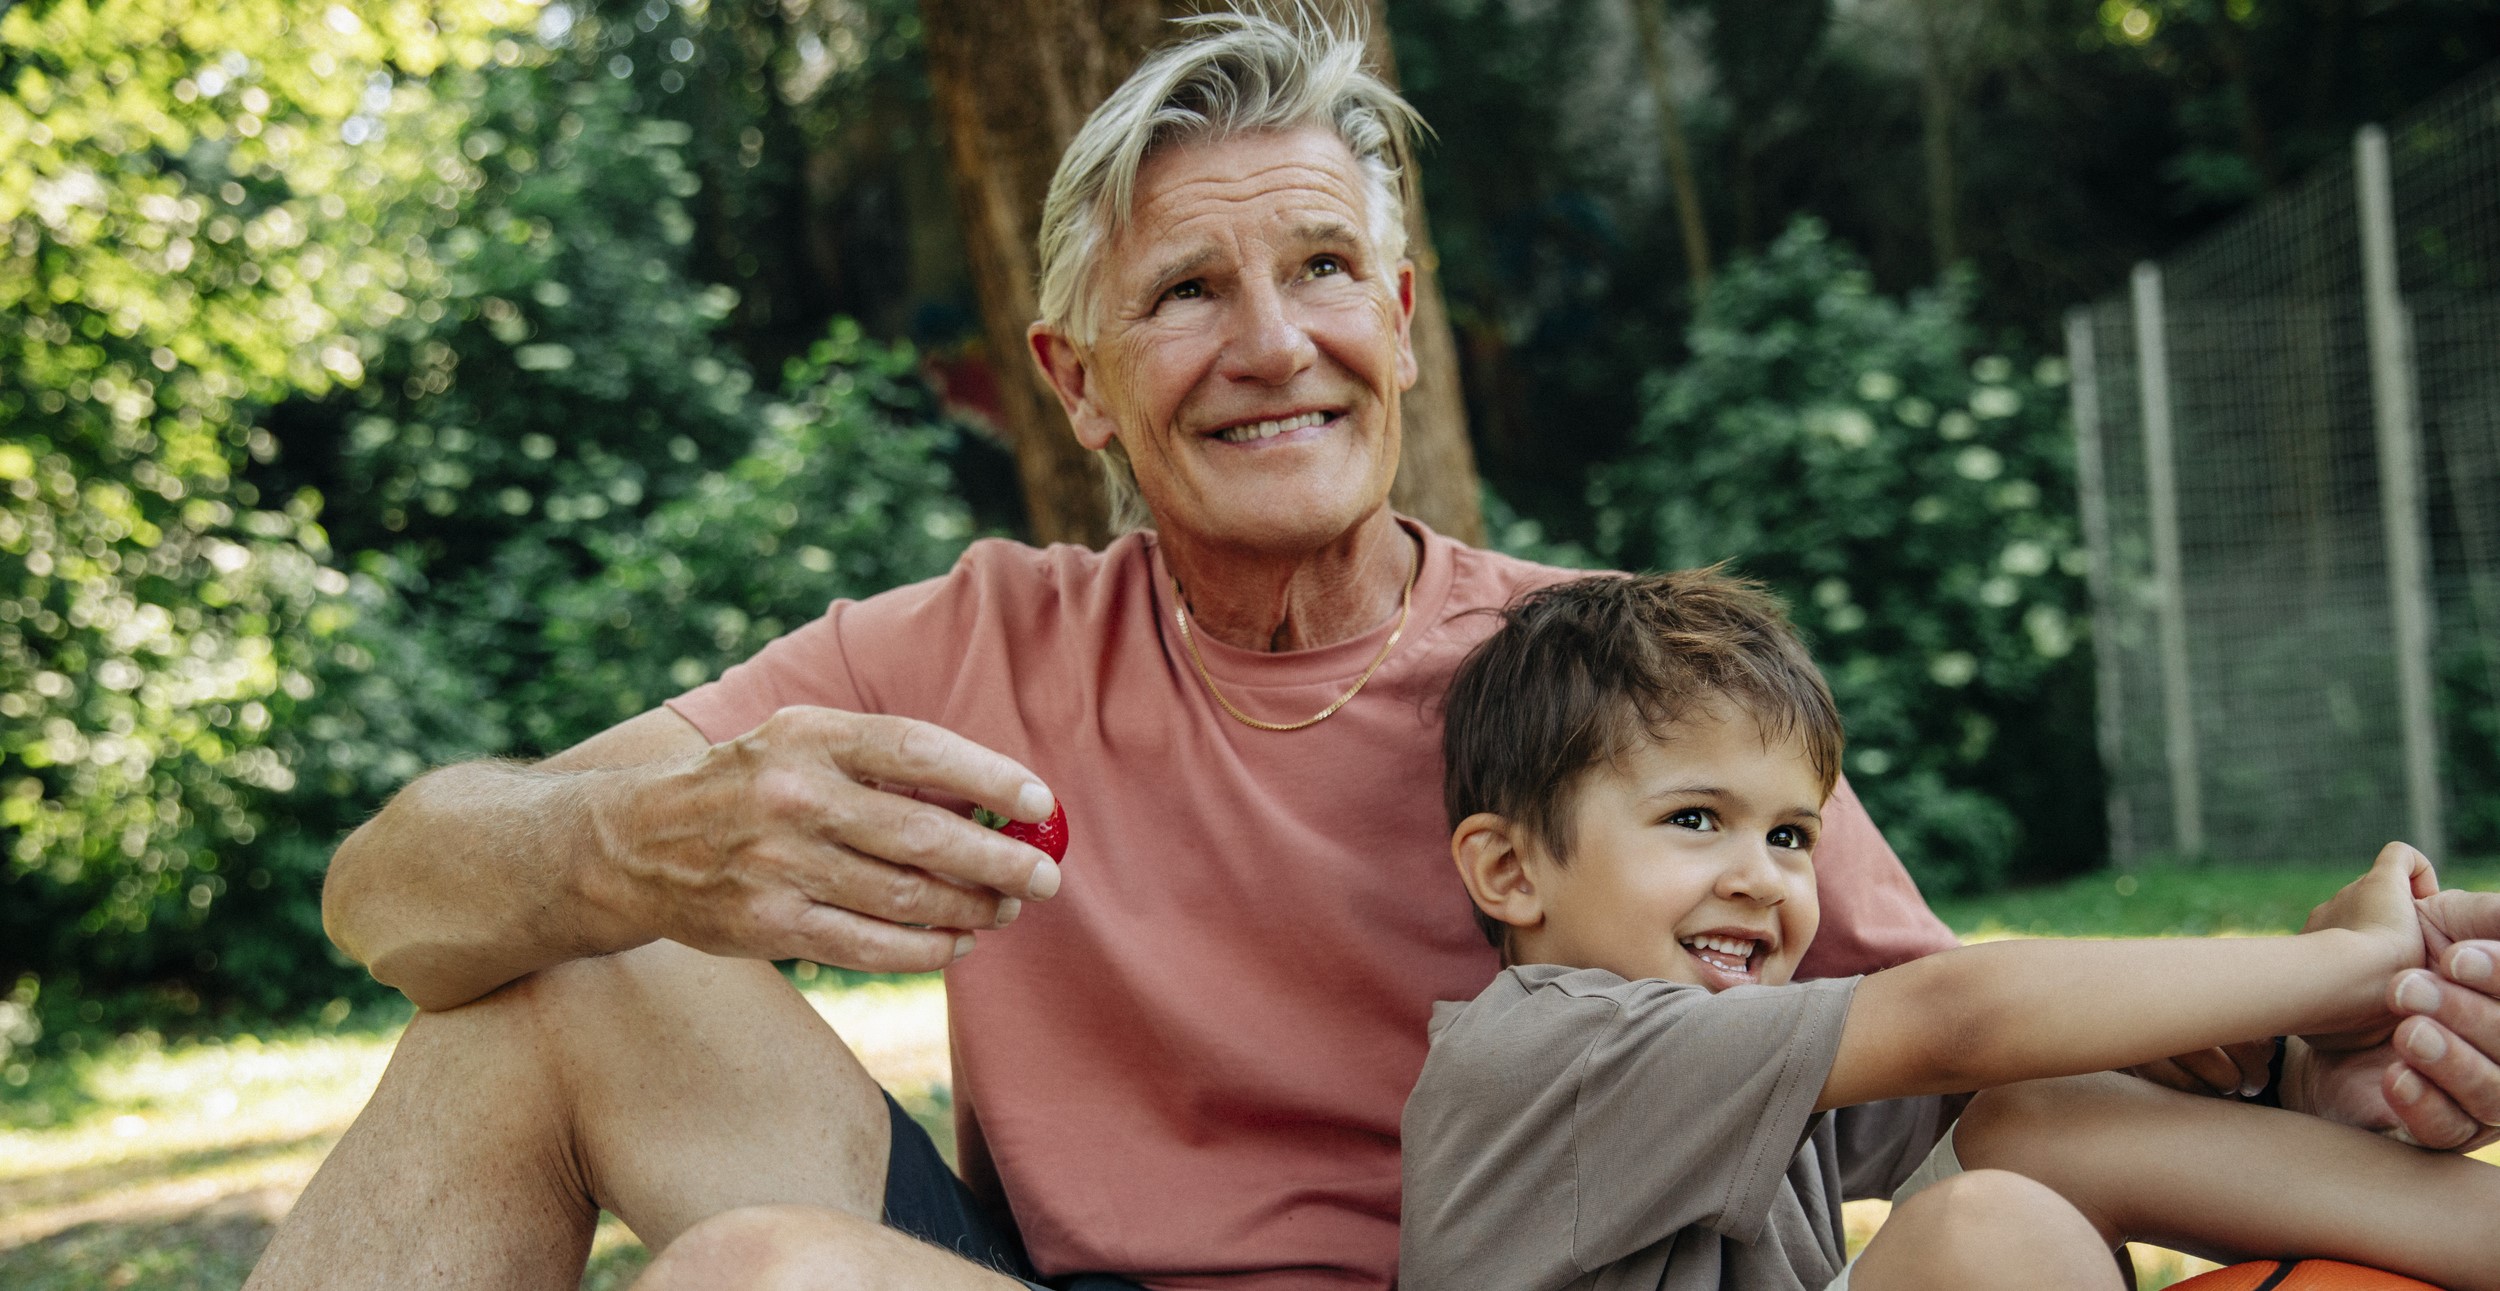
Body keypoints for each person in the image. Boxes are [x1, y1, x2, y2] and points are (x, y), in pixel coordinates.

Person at [243, 13, 2500, 1291]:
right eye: (1183, 297)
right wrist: (632, 837)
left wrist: (2300, 1046)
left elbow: (1927, 1045)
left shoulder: (1606, 696)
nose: (1270, 347)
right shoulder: (962, 641)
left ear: (1400, 323)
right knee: (543, 974)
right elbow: (386, 895)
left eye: (1322, 271)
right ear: (1072, 373)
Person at [1403, 570, 2500, 1291]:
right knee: (1985, 1235)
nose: (1759, 876)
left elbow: (2033, 1087)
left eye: (1791, 835)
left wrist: (2302, 1073)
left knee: (2043, 1116)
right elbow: (1962, 1015)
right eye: (1695, 819)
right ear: (1507, 870)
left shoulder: (1740, 1051)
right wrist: (2347, 967)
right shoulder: (1541, 1053)